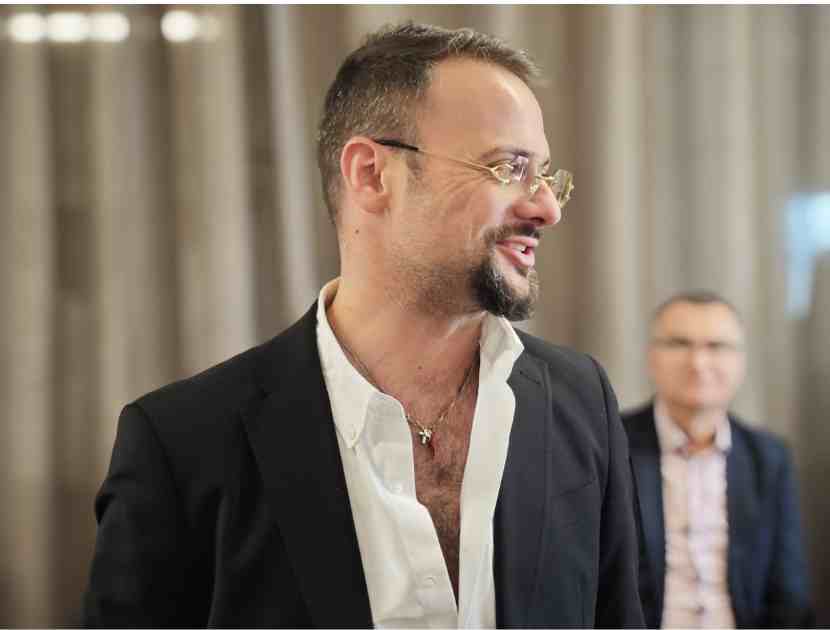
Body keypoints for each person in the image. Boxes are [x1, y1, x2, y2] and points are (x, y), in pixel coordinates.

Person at [83, 22, 645, 628]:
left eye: (546, 175)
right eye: (508, 168)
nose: (548, 207)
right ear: (372, 174)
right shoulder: (183, 446)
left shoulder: (580, 401)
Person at [623, 290, 813, 629]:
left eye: (717, 346)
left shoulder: (769, 458)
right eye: (679, 343)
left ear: (741, 361)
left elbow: (789, 594)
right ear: (651, 357)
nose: (698, 362)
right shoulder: (612, 446)